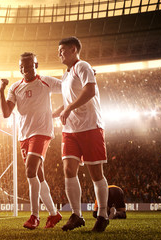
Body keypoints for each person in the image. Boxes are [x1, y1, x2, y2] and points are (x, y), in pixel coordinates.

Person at [52, 36, 109, 232]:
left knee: (96, 174)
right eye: (58, 51)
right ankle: (77, 215)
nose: (59, 54)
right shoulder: (65, 75)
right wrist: (57, 111)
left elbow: (90, 91)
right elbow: (69, 101)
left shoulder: (83, 66)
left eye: (62, 50)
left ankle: (102, 215)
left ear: (74, 49)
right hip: (70, 129)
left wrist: (68, 110)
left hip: (90, 126)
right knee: (68, 170)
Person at [0, 52, 62, 230]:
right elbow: (6, 113)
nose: (25, 69)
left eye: (28, 65)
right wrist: (1, 90)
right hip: (24, 136)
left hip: (41, 132)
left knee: (30, 171)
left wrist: (83, 78)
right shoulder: (15, 87)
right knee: (38, 176)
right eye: (22, 66)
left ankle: (35, 216)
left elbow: (68, 87)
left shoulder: (46, 82)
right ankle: (53, 213)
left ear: (36, 65)